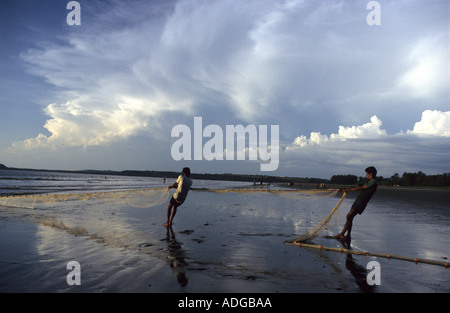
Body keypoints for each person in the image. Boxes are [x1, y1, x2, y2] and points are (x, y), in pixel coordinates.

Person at [333, 166, 378, 241]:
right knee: (350, 217)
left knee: (349, 216)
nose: (366, 175)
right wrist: (343, 189)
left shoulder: (373, 182)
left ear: (371, 173)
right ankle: (347, 235)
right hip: (358, 201)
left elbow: (362, 188)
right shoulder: (368, 181)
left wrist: (348, 189)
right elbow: (358, 186)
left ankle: (343, 234)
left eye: (367, 173)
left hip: (361, 202)